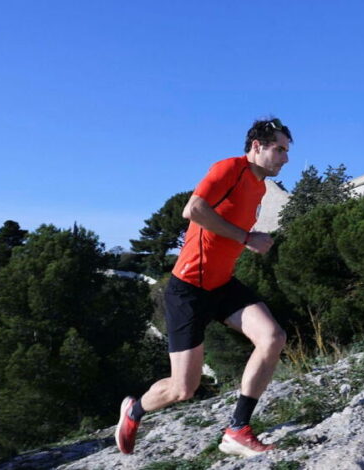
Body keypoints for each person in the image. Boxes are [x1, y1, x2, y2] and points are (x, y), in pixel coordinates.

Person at [115, 117, 292, 458]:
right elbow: (192, 210)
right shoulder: (229, 168)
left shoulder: (259, 186)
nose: (285, 158)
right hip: (188, 290)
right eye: (279, 149)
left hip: (222, 284)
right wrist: (246, 237)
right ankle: (134, 411)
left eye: (287, 151)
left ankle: (238, 429)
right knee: (183, 389)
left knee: (272, 337)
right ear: (257, 146)